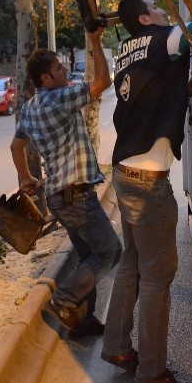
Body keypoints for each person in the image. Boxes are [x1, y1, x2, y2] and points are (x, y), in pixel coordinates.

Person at [100, 0, 192, 383]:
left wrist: (191, 82)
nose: (163, 13)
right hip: (147, 182)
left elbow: (157, 90)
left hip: (125, 169)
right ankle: (153, 372)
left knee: (133, 264)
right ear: (145, 20)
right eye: (157, 9)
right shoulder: (163, 38)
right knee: (158, 275)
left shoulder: (126, 49)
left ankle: (117, 348)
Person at [9, 27, 120, 339]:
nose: (65, 70)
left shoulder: (29, 108)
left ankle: (82, 324)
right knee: (110, 251)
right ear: (46, 78)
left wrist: (26, 178)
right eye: (59, 68)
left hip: (60, 197)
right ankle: (65, 299)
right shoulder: (61, 98)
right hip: (76, 197)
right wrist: (96, 41)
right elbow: (102, 82)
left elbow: (16, 147)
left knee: (90, 256)